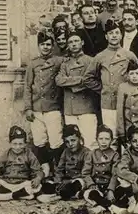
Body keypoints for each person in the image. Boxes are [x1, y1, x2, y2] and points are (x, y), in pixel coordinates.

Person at [83, 20, 138, 144]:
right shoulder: (100, 57)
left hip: (127, 102)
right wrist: (104, 89)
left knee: (128, 134)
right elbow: (88, 78)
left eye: (116, 33)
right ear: (106, 36)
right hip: (108, 102)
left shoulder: (129, 55)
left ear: (121, 35)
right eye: (110, 33)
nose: (114, 36)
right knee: (111, 136)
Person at [24, 31, 64, 176]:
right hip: (36, 108)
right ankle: (45, 169)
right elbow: (27, 87)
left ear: (53, 46)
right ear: (38, 46)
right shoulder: (33, 64)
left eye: (48, 44)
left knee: (55, 140)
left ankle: (58, 170)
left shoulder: (59, 61)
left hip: (52, 107)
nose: (45, 47)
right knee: (39, 140)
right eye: (43, 44)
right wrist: (28, 108)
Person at [55, 32, 97, 149]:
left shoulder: (90, 61)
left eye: (76, 41)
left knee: (89, 142)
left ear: (82, 43)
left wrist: (70, 84)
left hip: (86, 107)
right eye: (71, 42)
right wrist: (79, 80)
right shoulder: (65, 64)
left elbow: (91, 81)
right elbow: (59, 80)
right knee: (72, 144)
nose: (74, 44)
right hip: (70, 108)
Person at [0, 126, 44, 202]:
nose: (17, 147)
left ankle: (5, 196)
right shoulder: (6, 154)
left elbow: (38, 170)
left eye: (20, 144)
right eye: (14, 144)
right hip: (6, 184)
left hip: (22, 184)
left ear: (25, 144)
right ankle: (19, 195)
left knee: (35, 186)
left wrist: (38, 178)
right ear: (10, 143)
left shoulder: (29, 154)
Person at [37, 125, 89, 203]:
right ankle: (61, 192)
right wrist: (58, 181)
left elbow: (85, 173)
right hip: (65, 180)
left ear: (80, 139)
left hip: (78, 179)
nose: (70, 144)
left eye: (73, 140)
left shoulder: (86, 152)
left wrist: (69, 181)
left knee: (77, 184)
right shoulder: (66, 151)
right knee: (46, 185)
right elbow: (59, 169)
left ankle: (58, 196)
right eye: (67, 142)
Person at [82, 125, 121, 214]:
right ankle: (111, 207)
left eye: (107, 139)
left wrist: (111, 190)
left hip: (108, 185)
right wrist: (91, 184)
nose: (104, 142)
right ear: (96, 140)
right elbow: (85, 173)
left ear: (112, 140)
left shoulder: (115, 155)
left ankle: (100, 207)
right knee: (92, 194)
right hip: (96, 186)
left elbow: (115, 174)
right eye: (101, 139)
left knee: (121, 192)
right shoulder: (91, 154)